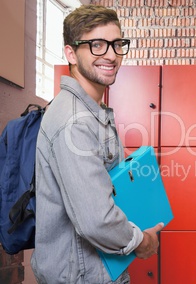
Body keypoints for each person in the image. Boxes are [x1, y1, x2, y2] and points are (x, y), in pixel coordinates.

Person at [31, 5, 163, 283]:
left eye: (117, 44)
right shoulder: (75, 121)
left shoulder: (93, 111)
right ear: (71, 53)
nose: (111, 55)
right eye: (97, 45)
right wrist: (142, 241)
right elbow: (96, 220)